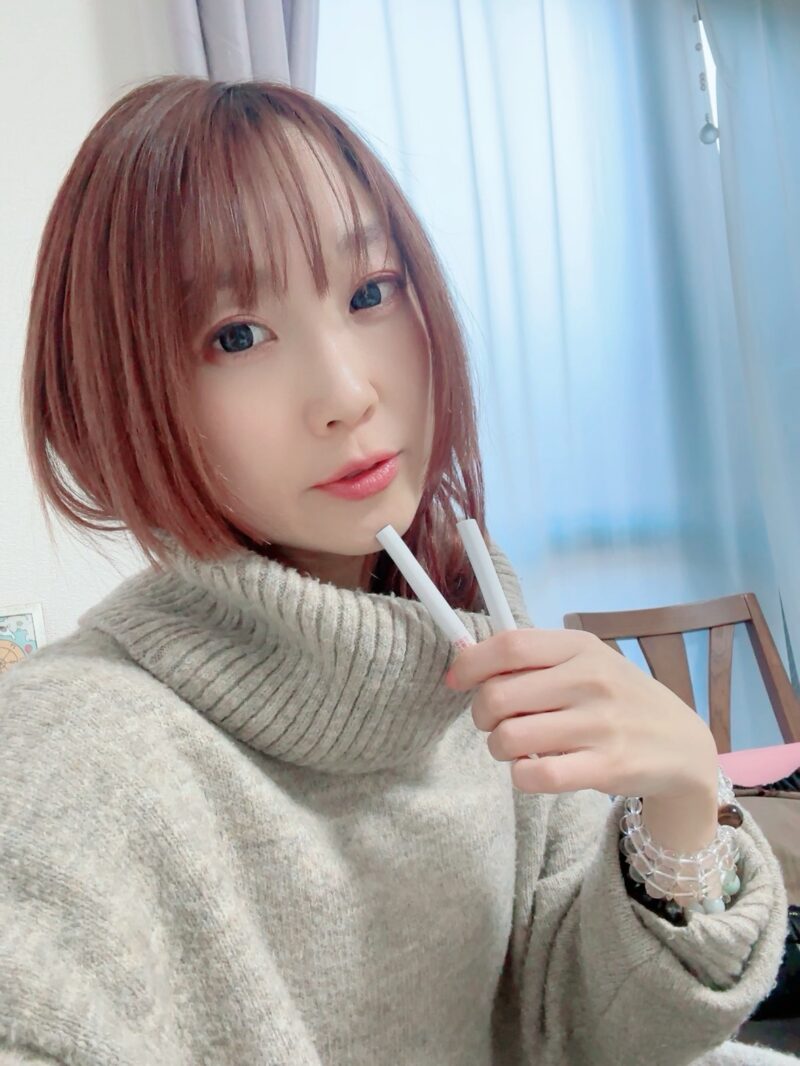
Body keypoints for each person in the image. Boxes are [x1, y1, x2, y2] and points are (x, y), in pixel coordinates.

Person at [0, 75, 795, 1066]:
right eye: (235, 335)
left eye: (370, 291)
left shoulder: (472, 647)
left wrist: (684, 796)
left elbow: (599, 1032)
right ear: (113, 396)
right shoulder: (68, 751)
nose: (345, 392)